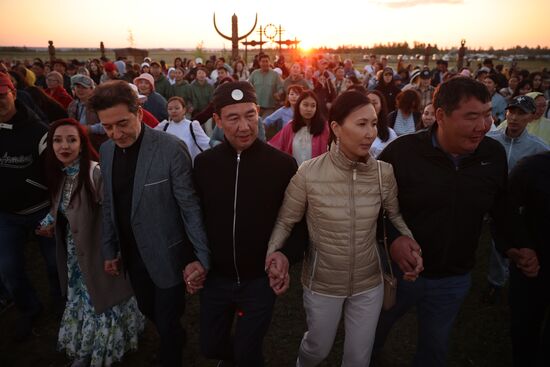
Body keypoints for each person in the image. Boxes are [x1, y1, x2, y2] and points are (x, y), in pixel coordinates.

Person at [265, 91, 421, 366]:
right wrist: (274, 255)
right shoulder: (309, 173)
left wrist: (409, 242)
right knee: (317, 349)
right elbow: (286, 220)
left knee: (358, 358)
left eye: (374, 123)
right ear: (336, 127)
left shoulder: (383, 173)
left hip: (369, 283)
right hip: (323, 283)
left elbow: (394, 218)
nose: (370, 133)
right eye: (361, 124)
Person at [373, 77, 512, 367]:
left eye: (487, 115)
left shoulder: (493, 155)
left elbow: (502, 208)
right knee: (371, 335)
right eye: (472, 117)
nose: (483, 126)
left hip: (453, 276)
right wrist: (393, 239)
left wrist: (518, 244)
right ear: (440, 116)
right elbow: (370, 206)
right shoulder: (402, 153)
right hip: (396, 275)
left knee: (435, 349)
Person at [88, 80, 210, 367]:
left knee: (167, 319)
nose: (116, 134)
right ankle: (175, 337)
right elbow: (110, 206)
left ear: (140, 113)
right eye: (107, 127)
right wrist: (109, 249)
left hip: (168, 253)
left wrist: (201, 257)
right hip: (131, 254)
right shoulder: (106, 151)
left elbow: (189, 206)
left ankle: (172, 354)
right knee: (146, 307)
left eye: (123, 123)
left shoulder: (171, 148)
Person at [193, 81, 308, 366]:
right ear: (217, 120)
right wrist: (191, 258)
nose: (244, 126)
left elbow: (300, 224)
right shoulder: (204, 164)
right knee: (210, 345)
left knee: (248, 352)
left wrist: (285, 254)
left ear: (258, 112)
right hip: (216, 279)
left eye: (250, 115)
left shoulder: (282, 165)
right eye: (233, 118)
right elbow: (193, 218)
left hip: (259, 281)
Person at [38, 118, 144, 367]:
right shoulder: (60, 175)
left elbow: (114, 216)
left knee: (102, 300)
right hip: (75, 257)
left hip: (99, 256)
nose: (64, 146)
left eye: (71, 140)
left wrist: (113, 251)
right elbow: (60, 206)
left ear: (82, 145)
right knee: (82, 301)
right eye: (58, 140)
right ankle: (85, 348)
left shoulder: (95, 172)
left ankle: (100, 351)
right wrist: (49, 222)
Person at [0, 72, 61, 341]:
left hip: (40, 209)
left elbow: (57, 173)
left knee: (54, 264)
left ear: (14, 93)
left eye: (2, 95)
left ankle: (61, 304)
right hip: (6, 214)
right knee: (9, 267)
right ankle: (28, 308)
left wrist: (53, 210)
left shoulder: (38, 131)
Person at [484, 96, 549, 302]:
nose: (514, 118)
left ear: (530, 117)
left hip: (514, 205)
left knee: (501, 242)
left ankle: (496, 282)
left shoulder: (539, 148)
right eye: (512, 112)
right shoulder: (491, 140)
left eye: (521, 113)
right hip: (487, 196)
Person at [502, 151, 550, 367]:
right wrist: (515, 247)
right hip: (533, 268)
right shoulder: (532, 167)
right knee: (524, 330)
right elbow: (503, 211)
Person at [269, 90, 330, 166]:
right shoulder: (290, 126)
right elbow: (275, 147)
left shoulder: (324, 127)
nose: (309, 109)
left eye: (313, 106)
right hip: (294, 173)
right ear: (298, 106)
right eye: (305, 105)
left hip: (317, 174)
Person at [155, 96, 210, 163]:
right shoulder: (164, 126)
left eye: (177, 108)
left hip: (190, 168)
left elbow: (206, 145)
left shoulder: (192, 126)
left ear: (184, 110)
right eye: (170, 109)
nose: (173, 111)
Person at [67, 74, 107, 151]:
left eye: (84, 87)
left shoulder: (100, 104)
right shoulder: (72, 105)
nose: (80, 90)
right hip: (79, 145)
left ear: (92, 89)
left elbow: (107, 125)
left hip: (97, 146)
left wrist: (89, 129)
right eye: (78, 87)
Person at [367, 90, 397, 158]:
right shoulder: (356, 130)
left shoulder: (390, 133)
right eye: (367, 103)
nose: (371, 106)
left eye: (374, 103)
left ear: (381, 106)